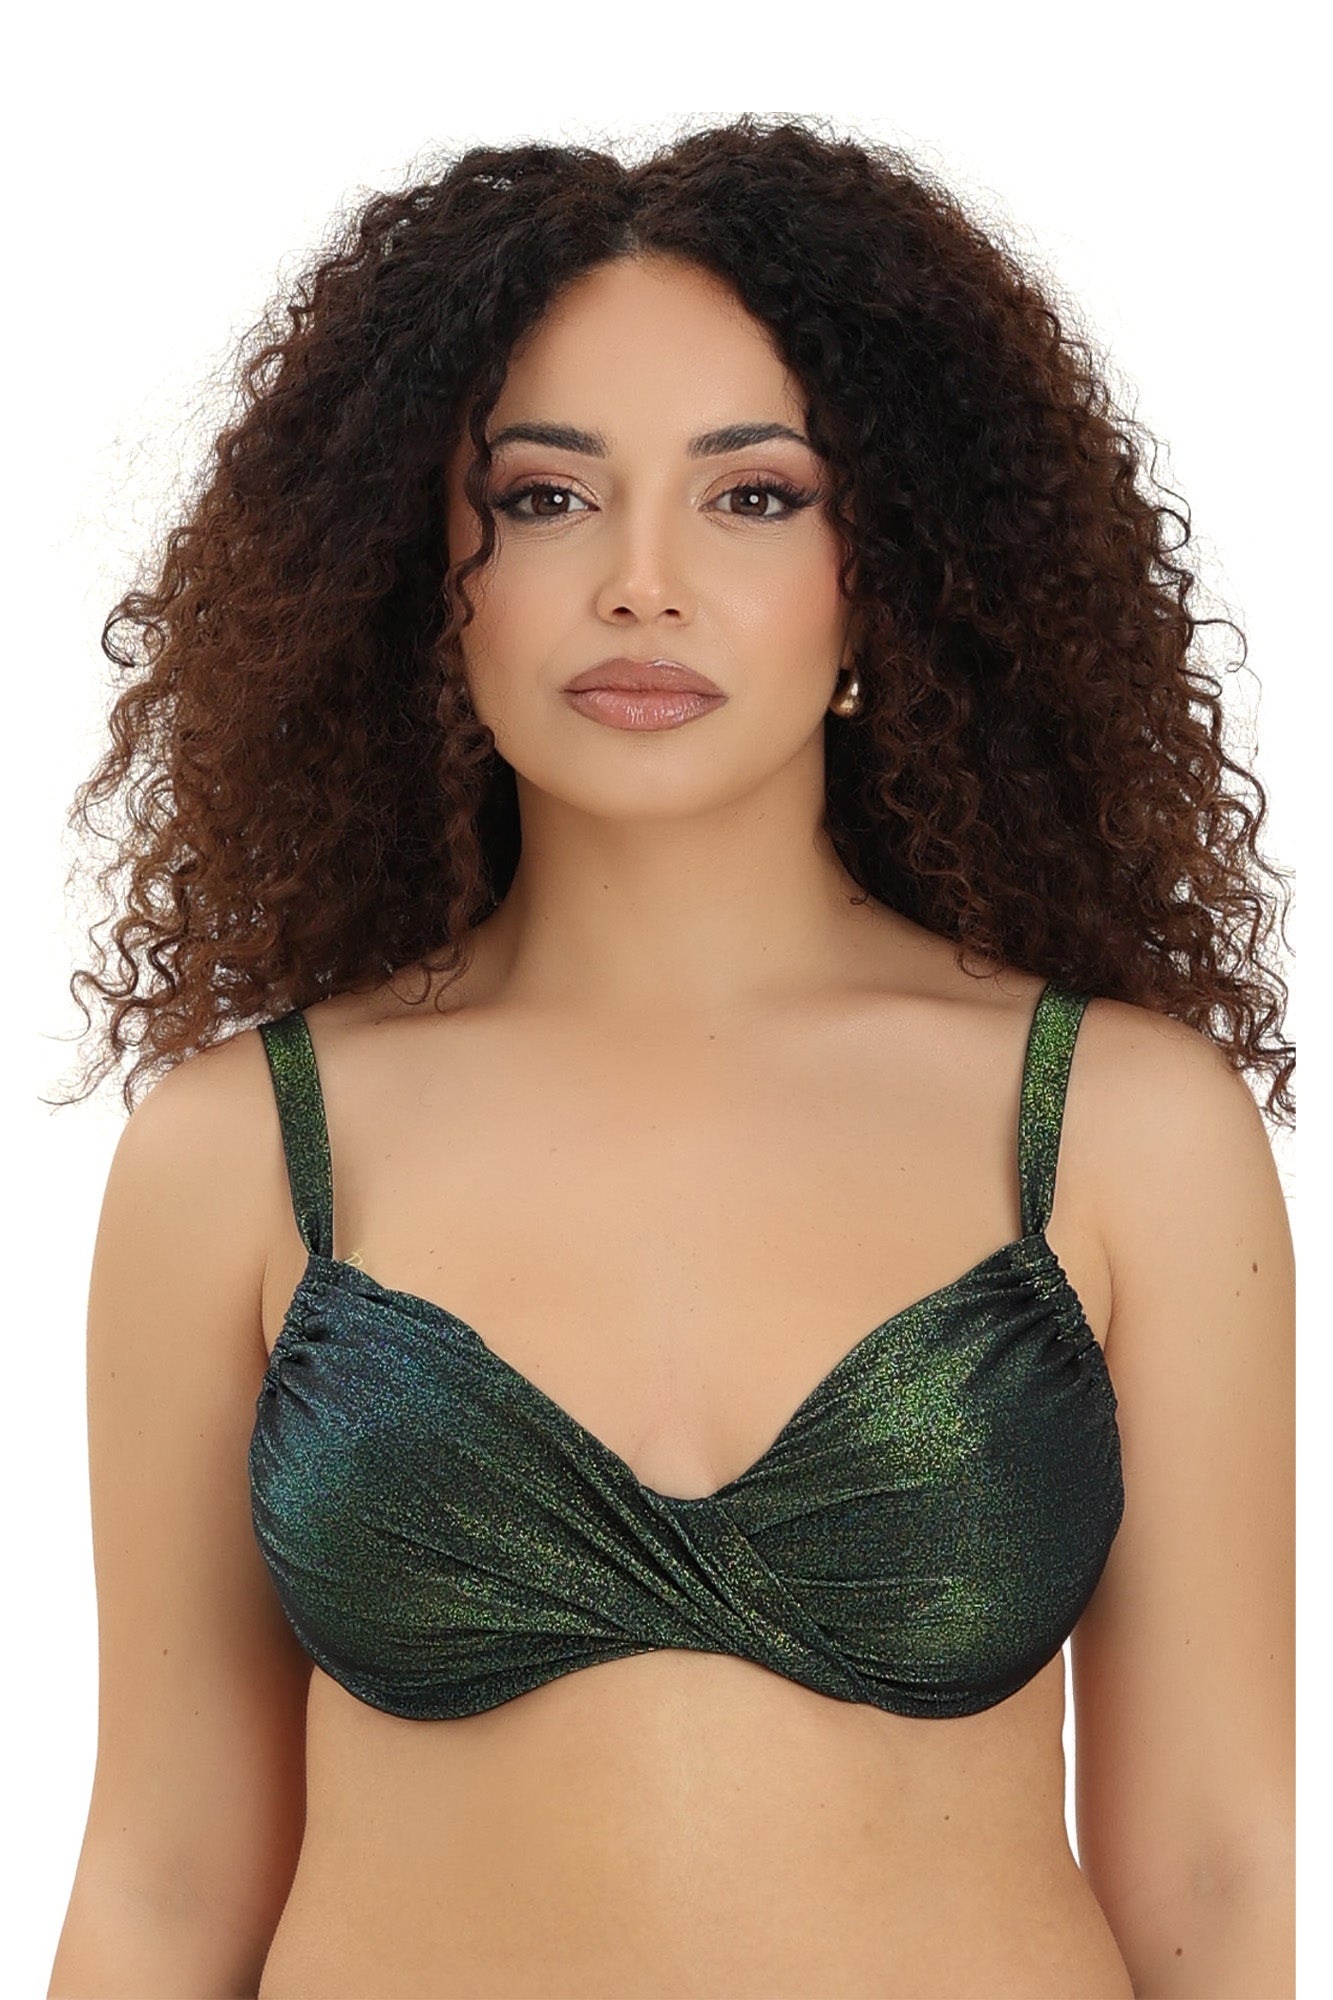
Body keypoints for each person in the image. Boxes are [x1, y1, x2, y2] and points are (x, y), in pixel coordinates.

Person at [46, 115, 1294, 2000]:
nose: (641, 582)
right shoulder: (242, 1149)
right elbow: (162, 1873)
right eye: (547, 496)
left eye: (754, 496)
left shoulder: (1120, 1127)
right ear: (422, 572)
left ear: (886, 575)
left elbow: (1216, 1863)